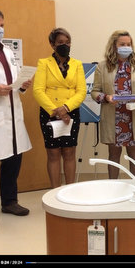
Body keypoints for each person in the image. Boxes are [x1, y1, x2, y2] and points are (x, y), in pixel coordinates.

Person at [0, 7, 32, 230]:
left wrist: (21, 85)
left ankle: (9, 202)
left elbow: (12, 78)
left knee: (13, 160)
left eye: (2, 25)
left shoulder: (6, 50)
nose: (0, 30)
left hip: (12, 114)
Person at [91, 30, 135, 179]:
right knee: (113, 156)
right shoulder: (102, 66)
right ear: (114, 46)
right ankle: (113, 187)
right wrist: (106, 97)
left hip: (133, 117)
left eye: (128, 44)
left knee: (134, 155)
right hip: (114, 118)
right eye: (122, 44)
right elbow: (95, 92)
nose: (126, 47)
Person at [33, 28, 86, 188]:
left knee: (69, 152)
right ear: (52, 44)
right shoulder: (44, 63)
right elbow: (38, 90)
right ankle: (54, 192)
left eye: (67, 42)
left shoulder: (77, 64)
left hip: (71, 113)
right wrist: (56, 111)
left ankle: (70, 190)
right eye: (60, 42)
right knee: (53, 153)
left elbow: (81, 91)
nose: (65, 45)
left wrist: (66, 107)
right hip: (50, 113)